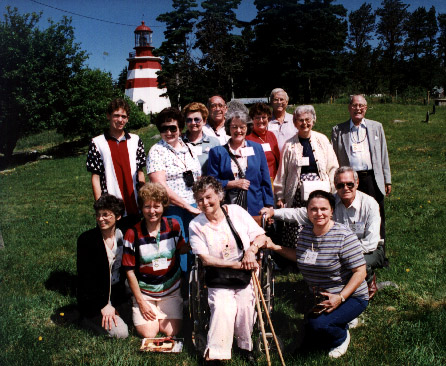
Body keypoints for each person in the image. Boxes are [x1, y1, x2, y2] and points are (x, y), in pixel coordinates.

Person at [264, 190, 369, 358]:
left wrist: (340, 298)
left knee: (319, 326)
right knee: (308, 332)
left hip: (351, 295)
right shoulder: (305, 232)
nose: (319, 213)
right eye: (313, 209)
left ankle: (341, 337)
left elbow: (360, 272)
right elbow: (299, 256)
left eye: (323, 209)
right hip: (321, 296)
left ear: (332, 211)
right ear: (307, 211)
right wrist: (274, 247)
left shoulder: (344, 236)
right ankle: (341, 319)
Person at [261, 166, 384, 299]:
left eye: (350, 184)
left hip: (369, 250)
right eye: (340, 185)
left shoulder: (370, 204)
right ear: (335, 185)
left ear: (357, 183)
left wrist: (343, 253)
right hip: (337, 249)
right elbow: (299, 213)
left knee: (358, 264)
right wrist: (273, 212)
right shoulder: (330, 202)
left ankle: (368, 281)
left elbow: (371, 242)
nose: (345, 188)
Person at [189, 176, 271, 364]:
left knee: (244, 307)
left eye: (209, 197)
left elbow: (260, 235)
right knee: (222, 307)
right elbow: (206, 259)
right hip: (218, 273)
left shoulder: (236, 212)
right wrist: (236, 265)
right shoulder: (196, 225)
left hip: (246, 270)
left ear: (219, 195)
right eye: (200, 199)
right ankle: (216, 355)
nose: (205, 202)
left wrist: (251, 251)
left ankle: (245, 347)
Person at [122, 183, 188, 338]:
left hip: (171, 289)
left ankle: (171, 306)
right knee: (148, 333)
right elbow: (129, 272)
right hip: (145, 292)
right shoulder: (132, 233)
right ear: (141, 208)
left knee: (172, 332)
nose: (152, 211)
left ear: (164, 206)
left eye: (156, 206)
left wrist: (197, 242)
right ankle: (138, 305)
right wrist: (141, 303)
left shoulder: (173, 225)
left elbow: (181, 248)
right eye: (147, 207)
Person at [274, 105, 338, 248]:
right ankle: (298, 255)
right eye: (300, 120)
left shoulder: (322, 139)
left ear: (313, 121)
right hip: (297, 193)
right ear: (295, 123)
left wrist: (334, 190)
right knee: (298, 220)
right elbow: (283, 172)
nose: (304, 123)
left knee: (319, 218)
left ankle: (322, 250)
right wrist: (280, 195)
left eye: (307, 120)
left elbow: (333, 166)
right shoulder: (289, 144)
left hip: (320, 191)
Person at [331, 95, 391, 241]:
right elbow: (333, 159)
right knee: (351, 213)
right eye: (354, 105)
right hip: (348, 181)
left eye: (361, 106)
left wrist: (387, 179)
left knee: (376, 212)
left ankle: (379, 250)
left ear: (366, 108)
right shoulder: (338, 130)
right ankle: (350, 247)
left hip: (371, 178)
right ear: (349, 108)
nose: (358, 109)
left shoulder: (376, 127)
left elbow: (383, 154)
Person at [86, 98, 146, 228]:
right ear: (108, 116)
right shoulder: (97, 143)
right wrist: (100, 208)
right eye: (116, 115)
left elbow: (140, 173)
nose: (120, 120)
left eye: (124, 116)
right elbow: (95, 178)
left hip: (134, 205)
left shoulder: (136, 140)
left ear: (128, 118)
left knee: (136, 244)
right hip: (111, 207)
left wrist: (144, 200)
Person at [77, 194, 129, 338]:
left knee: (139, 322)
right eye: (98, 215)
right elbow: (85, 280)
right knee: (121, 333)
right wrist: (103, 305)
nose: (100, 219)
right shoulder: (86, 240)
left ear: (118, 216)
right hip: (96, 299)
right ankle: (87, 320)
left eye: (106, 215)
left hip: (119, 294)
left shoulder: (123, 236)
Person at [146, 107, 201, 244]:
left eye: (173, 128)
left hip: (195, 206)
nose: (168, 132)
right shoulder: (156, 151)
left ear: (180, 129)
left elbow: (199, 178)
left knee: (196, 246)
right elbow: (161, 187)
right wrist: (187, 207)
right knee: (179, 248)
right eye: (164, 129)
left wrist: (200, 203)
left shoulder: (189, 148)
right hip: (173, 209)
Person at [207, 109, 274, 217]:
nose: (238, 130)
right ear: (229, 128)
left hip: (255, 207)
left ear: (247, 128)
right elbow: (211, 182)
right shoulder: (217, 152)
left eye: (242, 127)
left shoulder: (257, 148)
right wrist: (231, 184)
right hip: (228, 208)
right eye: (234, 127)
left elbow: (265, 179)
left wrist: (269, 205)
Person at [181, 102, 220, 175]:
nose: (193, 123)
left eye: (197, 119)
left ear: (204, 121)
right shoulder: (179, 142)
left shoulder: (214, 143)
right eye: (189, 120)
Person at [246, 103, 280, 183]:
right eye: (257, 118)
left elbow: (277, 159)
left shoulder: (271, 135)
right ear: (252, 119)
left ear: (268, 118)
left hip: (273, 179)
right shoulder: (247, 138)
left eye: (264, 117)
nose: (261, 120)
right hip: (256, 181)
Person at [267, 88, 297, 152]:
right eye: (276, 100)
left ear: (287, 102)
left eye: (282, 99)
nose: (279, 102)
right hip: (272, 160)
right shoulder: (266, 121)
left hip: (290, 159)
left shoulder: (294, 119)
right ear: (271, 102)